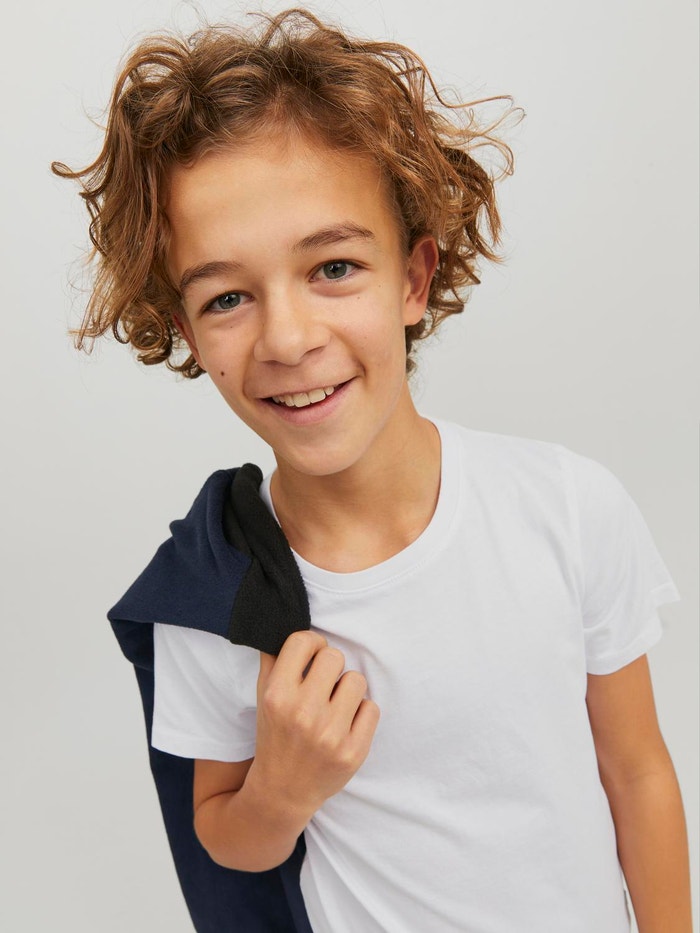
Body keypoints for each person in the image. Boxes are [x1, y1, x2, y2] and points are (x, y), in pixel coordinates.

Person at [53, 8, 692, 932]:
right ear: (186, 330)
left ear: (414, 279)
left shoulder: (566, 507)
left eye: (334, 268)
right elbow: (223, 835)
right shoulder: (217, 592)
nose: (287, 338)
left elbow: (637, 772)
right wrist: (282, 789)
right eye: (227, 297)